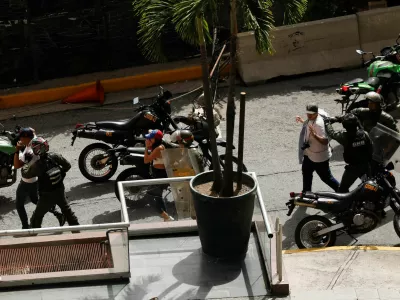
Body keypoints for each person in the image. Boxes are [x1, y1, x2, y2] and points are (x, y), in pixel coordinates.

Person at [21, 137, 80, 230]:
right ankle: (78, 234)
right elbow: (67, 166)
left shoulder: (37, 165)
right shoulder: (54, 156)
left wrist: (28, 163)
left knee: (36, 218)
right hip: (60, 190)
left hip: (46, 196)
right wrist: (60, 172)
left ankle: (34, 239)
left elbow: (25, 173)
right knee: (68, 213)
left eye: (35, 149)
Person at [13, 128, 65, 229]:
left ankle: (25, 227)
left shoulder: (29, 152)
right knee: (35, 200)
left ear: (27, 138)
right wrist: (28, 131)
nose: (20, 139)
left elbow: (16, 165)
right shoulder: (35, 141)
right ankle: (57, 213)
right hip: (35, 180)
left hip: (26, 182)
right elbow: (33, 131)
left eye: (22, 138)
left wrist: (17, 150)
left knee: (19, 205)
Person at [324, 114, 373, 192]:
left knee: (342, 189)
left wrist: (327, 123)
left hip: (353, 169)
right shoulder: (364, 134)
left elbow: (332, 133)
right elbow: (370, 148)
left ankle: (348, 203)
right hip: (366, 166)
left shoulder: (344, 137)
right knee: (371, 187)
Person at [296, 103, 339, 193]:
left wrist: (314, 135)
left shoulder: (319, 125)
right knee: (306, 172)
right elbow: (309, 123)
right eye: (307, 113)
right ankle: (306, 192)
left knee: (326, 178)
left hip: (319, 157)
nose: (309, 116)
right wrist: (302, 121)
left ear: (316, 113)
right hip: (309, 153)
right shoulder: (312, 118)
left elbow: (325, 141)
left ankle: (342, 191)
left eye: (311, 114)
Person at [144, 129, 174, 222]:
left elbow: (146, 160)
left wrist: (146, 147)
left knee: (150, 195)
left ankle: (166, 217)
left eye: (151, 139)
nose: (148, 140)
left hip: (161, 175)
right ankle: (167, 218)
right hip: (159, 174)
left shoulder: (159, 148)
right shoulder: (159, 145)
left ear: (156, 140)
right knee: (158, 197)